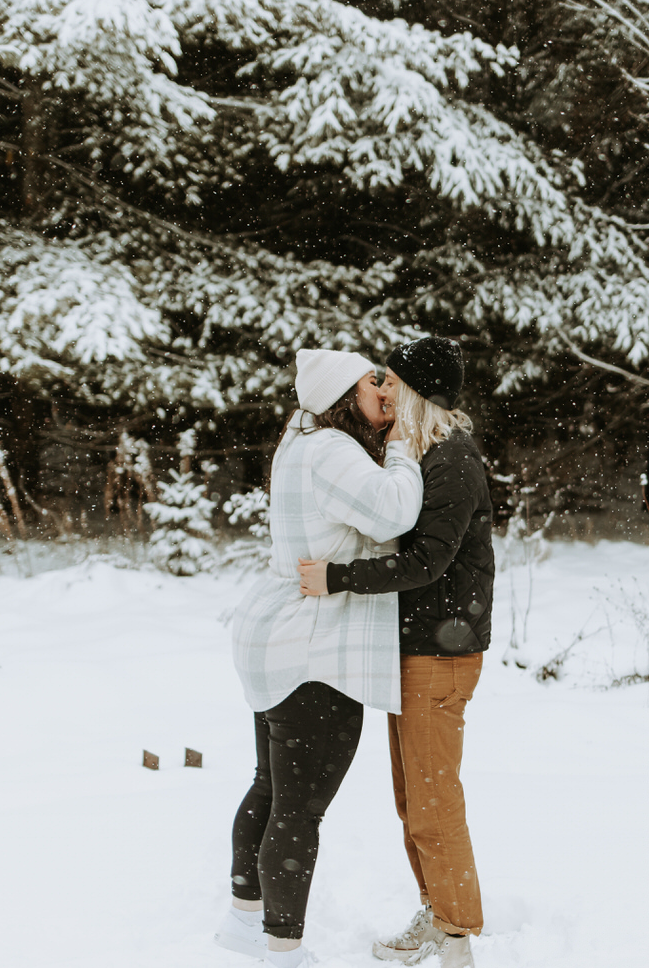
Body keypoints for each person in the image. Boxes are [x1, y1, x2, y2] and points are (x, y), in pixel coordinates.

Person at [218, 348, 424, 968]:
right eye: (373, 382)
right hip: (310, 647)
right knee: (300, 805)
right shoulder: (332, 449)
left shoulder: (299, 441)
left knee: (272, 786)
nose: (384, 391)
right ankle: (284, 950)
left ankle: (241, 920)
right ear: (342, 392)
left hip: (276, 634)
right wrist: (405, 445)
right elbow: (395, 508)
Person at [298, 337, 493, 968]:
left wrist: (340, 577)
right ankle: (439, 912)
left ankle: (457, 932)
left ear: (415, 392)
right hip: (415, 649)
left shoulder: (453, 458)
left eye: (391, 381)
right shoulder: (419, 454)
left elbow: (427, 561)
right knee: (414, 799)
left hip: (442, 653)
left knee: (434, 799)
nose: (380, 389)